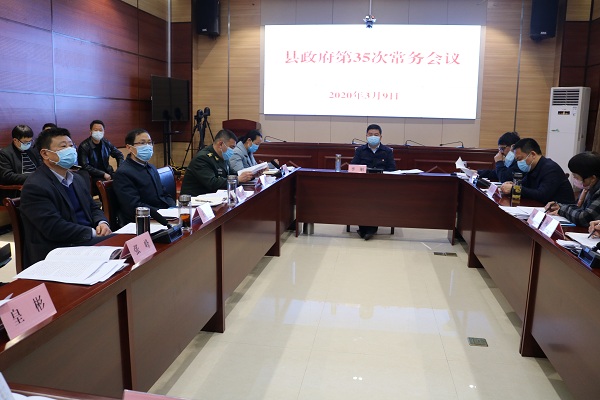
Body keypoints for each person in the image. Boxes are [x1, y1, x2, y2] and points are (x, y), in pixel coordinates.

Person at [19, 127, 112, 269]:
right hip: (58, 249)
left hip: (84, 241)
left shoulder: (77, 178)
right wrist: (92, 233)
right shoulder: (35, 186)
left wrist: (102, 222)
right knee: (119, 248)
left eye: (71, 145)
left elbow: (93, 207)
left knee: (125, 244)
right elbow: (54, 227)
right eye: (63, 147)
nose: (70, 150)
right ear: (45, 153)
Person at [112, 128, 176, 225]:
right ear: (129, 147)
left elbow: (164, 194)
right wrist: (161, 214)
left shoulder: (151, 167)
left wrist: (173, 208)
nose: (147, 146)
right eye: (142, 143)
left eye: (149, 142)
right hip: (143, 221)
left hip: (163, 216)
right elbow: (133, 206)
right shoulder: (123, 173)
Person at [350, 124, 397, 240]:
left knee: (376, 199)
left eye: (376, 135)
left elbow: (392, 169)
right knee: (360, 199)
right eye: (370, 134)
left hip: (381, 186)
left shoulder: (387, 151)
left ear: (381, 137)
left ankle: (370, 229)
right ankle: (364, 228)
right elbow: (353, 167)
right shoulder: (360, 150)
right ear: (366, 136)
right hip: (362, 185)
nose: (373, 137)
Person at [500, 138, 574, 204]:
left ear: (533, 154)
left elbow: (542, 195)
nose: (518, 163)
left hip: (561, 212)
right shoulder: (532, 167)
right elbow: (524, 186)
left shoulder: (550, 169)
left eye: (520, 159)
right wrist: (513, 185)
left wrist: (514, 189)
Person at [181, 129, 254, 196]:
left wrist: (249, 175)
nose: (233, 150)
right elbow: (212, 183)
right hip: (196, 200)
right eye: (232, 147)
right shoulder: (202, 158)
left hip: (213, 197)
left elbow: (231, 173)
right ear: (220, 144)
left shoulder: (223, 155)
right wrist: (237, 179)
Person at [544, 152, 600, 226]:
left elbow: (584, 217)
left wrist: (562, 210)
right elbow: (578, 208)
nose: (575, 179)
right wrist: (559, 206)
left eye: (577, 177)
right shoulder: (588, 187)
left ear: (592, 178)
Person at [77, 120, 124, 193]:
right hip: (93, 175)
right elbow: (85, 165)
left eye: (100, 130)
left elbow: (119, 155)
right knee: (108, 188)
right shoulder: (84, 146)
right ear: (90, 132)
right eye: (96, 130)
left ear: (104, 132)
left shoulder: (106, 142)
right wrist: (103, 174)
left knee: (123, 181)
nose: (98, 132)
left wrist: (119, 169)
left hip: (108, 172)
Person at [0, 125, 42, 199]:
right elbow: (7, 176)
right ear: (15, 140)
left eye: (30, 141)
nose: (28, 144)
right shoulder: (5, 153)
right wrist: (33, 176)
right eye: (25, 142)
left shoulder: (32, 151)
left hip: (37, 185)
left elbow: (41, 168)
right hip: (18, 191)